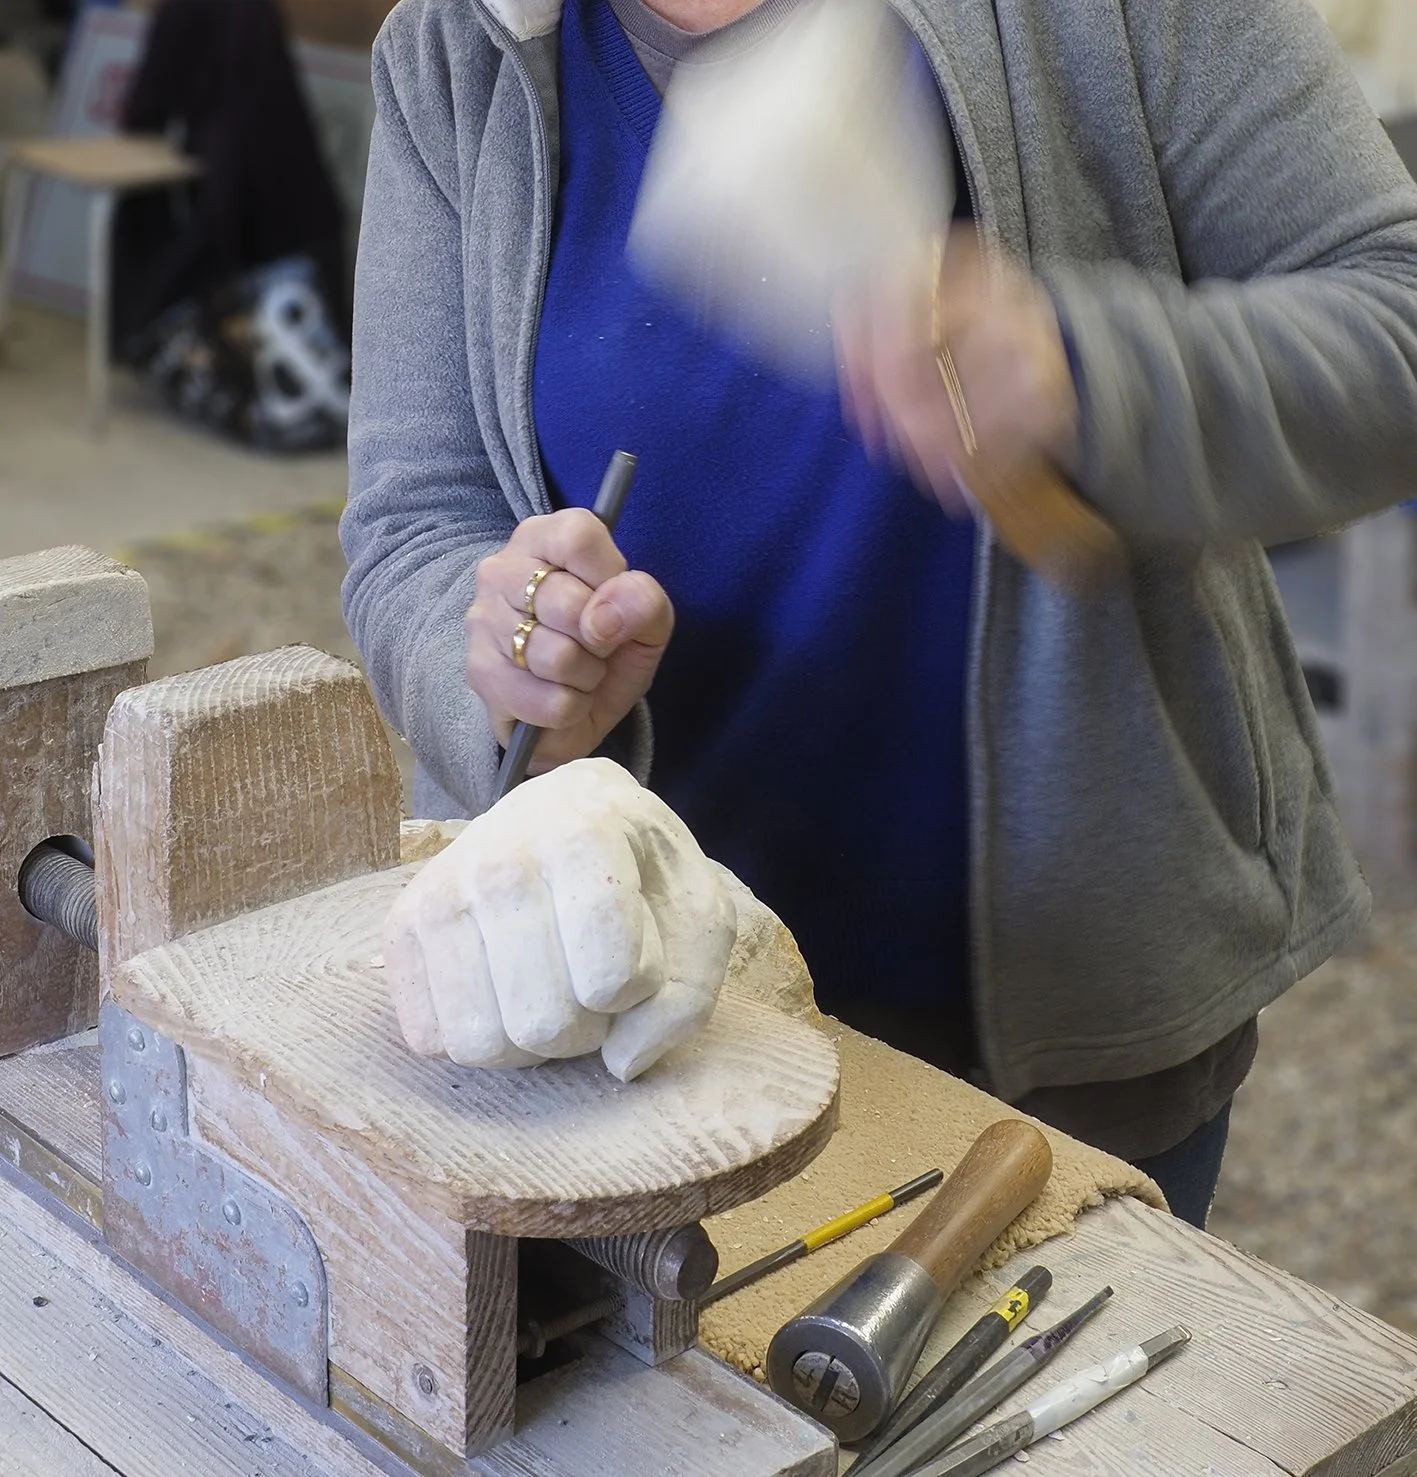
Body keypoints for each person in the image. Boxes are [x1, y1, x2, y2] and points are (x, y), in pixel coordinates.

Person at [341, 0, 1417, 1229]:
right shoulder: (457, 49)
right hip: (633, 1013)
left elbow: (1398, 325)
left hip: (1071, 1001)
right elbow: (415, 521)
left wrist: (1086, 369)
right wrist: (505, 662)